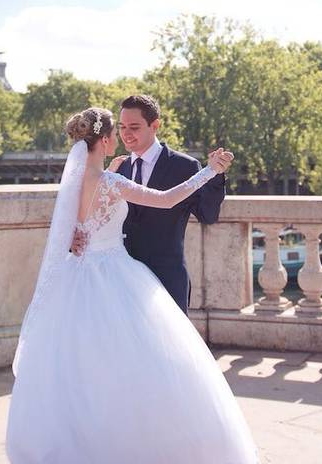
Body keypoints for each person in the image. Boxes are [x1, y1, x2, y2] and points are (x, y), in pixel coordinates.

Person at [6, 107, 299, 464]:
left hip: (78, 283)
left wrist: (77, 236)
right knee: (146, 377)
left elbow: (68, 233)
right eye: (117, 132)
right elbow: (166, 199)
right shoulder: (111, 180)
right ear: (105, 140)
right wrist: (210, 170)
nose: (122, 138)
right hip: (117, 279)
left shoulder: (73, 185)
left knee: (85, 378)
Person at [72, 94, 228, 313]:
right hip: (119, 282)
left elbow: (208, 216)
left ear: (155, 125)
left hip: (167, 279)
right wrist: (74, 234)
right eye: (122, 127)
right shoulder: (117, 169)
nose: (126, 134)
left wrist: (216, 175)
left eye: (134, 127)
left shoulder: (185, 166)